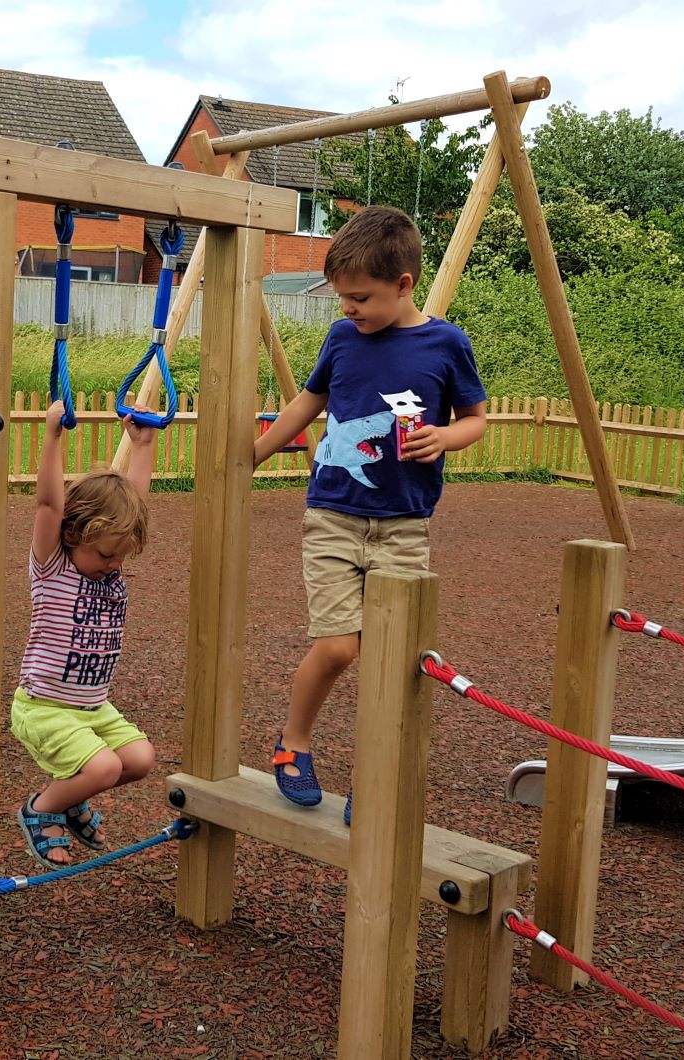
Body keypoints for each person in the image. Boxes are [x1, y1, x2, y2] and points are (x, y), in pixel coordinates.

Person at [253, 205, 489, 824]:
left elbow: (475, 419)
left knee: (393, 657)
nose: (349, 309)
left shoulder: (445, 343)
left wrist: (445, 437)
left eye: (361, 297)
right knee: (337, 647)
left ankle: (374, 774)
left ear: (404, 285)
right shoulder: (341, 340)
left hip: (405, 521)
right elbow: (309, 400)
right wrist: (254, 453)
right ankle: (293, 745)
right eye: (343, 298)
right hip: (334, 512)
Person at [13, 402, 159, 867]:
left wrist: (143, 445)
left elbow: (133, 505)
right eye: (103, 554)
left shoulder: (108, 569)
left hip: (92, 708)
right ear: (73, 534)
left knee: (140, 760)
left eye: (120, 556)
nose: (113, 564)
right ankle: (41, 809)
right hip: (43, 708)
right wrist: (52, 436)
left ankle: (70, 796)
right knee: (104, 766)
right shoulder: (53, 568)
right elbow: (49, 504)